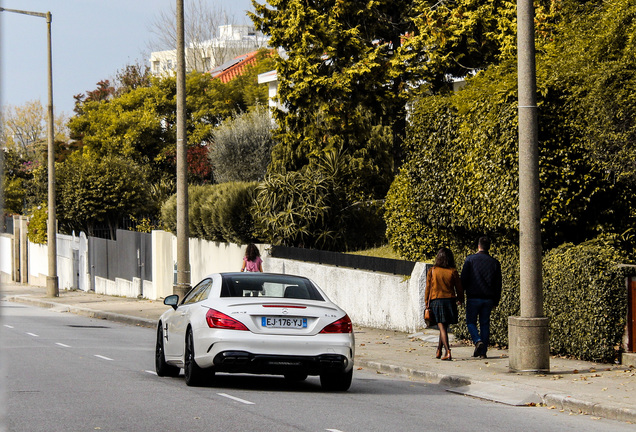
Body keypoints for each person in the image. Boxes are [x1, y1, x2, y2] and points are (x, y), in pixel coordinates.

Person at [461, 236, 502, 359]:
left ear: (478, 246)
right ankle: (483, 352)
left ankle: (477, 340)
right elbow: (498, 284)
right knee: (485, 324)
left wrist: (460, 296)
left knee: (470, 322)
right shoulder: (494, 263)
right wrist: (496, 300)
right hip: (488, 299)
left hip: (473, 297)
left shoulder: (470, 260)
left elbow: (463, 279)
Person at [425, 247, 464, 361]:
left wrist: (426, 302)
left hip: (436, 300)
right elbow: (459, 287)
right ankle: (438, 350)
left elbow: (428, 288)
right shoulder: (453, 271)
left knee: (441, 326)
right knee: (444, 327)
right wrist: (461, 298)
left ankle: (447, 351)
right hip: (450, 301)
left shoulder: (432, 270)